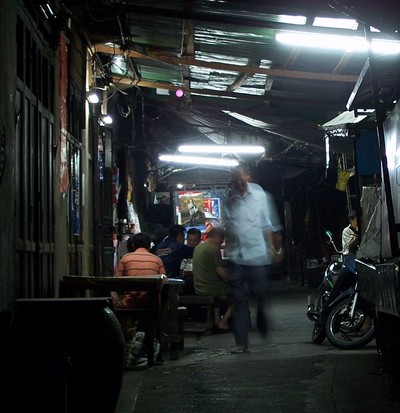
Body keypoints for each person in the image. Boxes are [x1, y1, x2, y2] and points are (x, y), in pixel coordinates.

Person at [224, 163, 284, 354]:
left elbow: (269, 225)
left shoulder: (260, 196)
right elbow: (229, 229)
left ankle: (263, 325)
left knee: (260, 295)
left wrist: (275, 249)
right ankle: (241, 342)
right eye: (237, 180)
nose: (240, 184)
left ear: (248, 177)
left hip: (258, 256)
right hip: (237, 259)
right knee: (239, 300)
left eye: (243, 179)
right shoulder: (229, 200)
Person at [115, 232, 165, 367]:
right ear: (149, 246)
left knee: (115, 305)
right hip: (151, 305)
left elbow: (117, 282)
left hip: (129, 304)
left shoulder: (125, 259)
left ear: (132, 245)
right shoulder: (157, 260)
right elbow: (162, 283)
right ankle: (152, 351)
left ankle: (124, 346)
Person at [192, 227, 233, 331]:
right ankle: (223, 322)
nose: (221, 243)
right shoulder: (214, 249)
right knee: (239, 294)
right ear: (217, 237)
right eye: (221, 240)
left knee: (219, 289)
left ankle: (216, 319)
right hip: (211, 288)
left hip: (199, 287)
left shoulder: (198, 248)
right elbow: (221, 272)